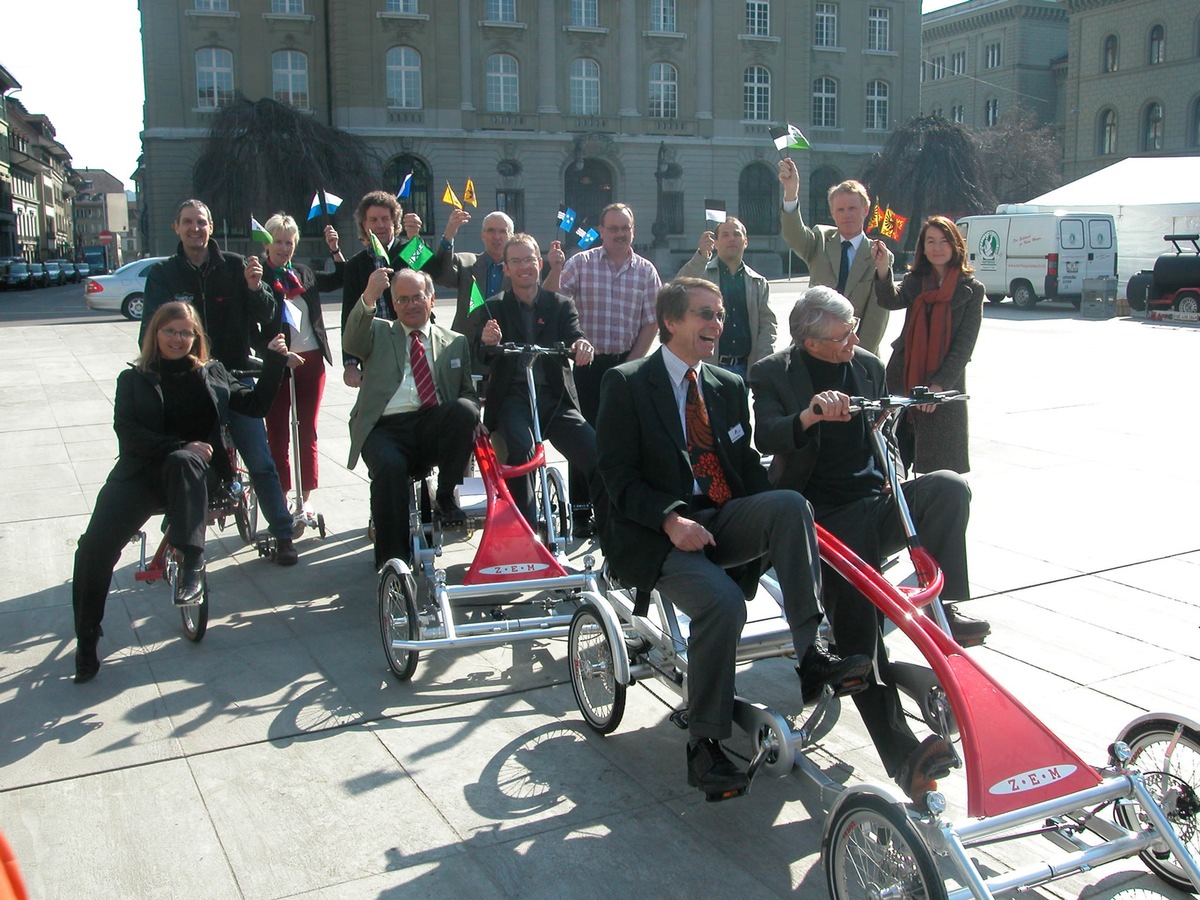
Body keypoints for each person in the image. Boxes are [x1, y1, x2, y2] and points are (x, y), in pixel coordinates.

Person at [596, 277, 871, 800]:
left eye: (720, 316)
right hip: (659, 532)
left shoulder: (725, 385)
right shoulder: (627, 383)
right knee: (722, 603)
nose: (716, 326)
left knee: (791, 504)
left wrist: (775, 512)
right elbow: (617, 475)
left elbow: (743, 466)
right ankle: (704, 746)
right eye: (704, 315)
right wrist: (671, 521)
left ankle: (811, 657)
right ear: (670, 322)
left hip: (719, 518)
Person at [749, 286, 990, 802]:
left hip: (871, 499)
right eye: (843, 335)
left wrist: (894, 442)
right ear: (810, 343)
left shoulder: (864, 364)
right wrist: (811, 414)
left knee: (948, 487)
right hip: (813, 514)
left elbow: (882, 425)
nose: (855, 339)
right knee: (859, 633)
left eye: (855, 328)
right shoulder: (772, 372)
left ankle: (943, 603)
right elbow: (767, 435)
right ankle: (903, 754)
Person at [73, 302, 287, 684]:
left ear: (196, 338)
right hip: (141, 474)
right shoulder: (134, 379)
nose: (177, 339)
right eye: (169, 331)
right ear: (155, 334)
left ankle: (192, 566)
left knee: (186, 463)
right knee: (92, 548)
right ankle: (87, 637)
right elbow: (129, 433)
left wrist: (273, 364)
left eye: (185, 332)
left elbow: (254, 407)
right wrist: (179, 443)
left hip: (195, 476)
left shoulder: (212, 372)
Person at [139, 199, 299, 565]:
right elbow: (150, 330)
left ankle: (283, 532)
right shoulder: (163, 275)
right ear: (176, 228)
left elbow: (266, 314)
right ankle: (179, 529)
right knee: (183, 457)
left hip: (233, 375)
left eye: (202, 222)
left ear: (211, 227)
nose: (196, 229)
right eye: (188, 223)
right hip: (188, 381)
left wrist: (257, 288)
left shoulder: (234, 266)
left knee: (260, 459)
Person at [343, 267, 480, 569]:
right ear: (393, 305)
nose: (411, 305)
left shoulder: (454, 341)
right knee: (390, 470)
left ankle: (445, 496)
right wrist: (368, 295)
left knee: (466, 409)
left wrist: (470, 422)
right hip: (385, 429)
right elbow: (351, 342)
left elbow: (468, 393)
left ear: (431, 299)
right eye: (402, 300)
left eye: (417, 297)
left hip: (432, 422)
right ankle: (394, 565)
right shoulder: (378, 332)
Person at [543, 202, 661, 535]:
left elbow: (651, 323)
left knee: (621, 441)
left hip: (625, 364)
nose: (620, 234)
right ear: (602, 230)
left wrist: (632, 364)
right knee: (584, 440)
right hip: (586, 367)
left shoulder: (646, 271)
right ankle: (581, 513)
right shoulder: (581, 264)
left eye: (625, 228)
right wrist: (553, 268)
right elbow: (550, 304)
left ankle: (615, 509)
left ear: (633, 230)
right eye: (613, 228)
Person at [471, 234, 597, 527]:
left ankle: (610, 534)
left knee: (596, 453)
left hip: (554, 398)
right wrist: (489, 342)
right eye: (515, 261)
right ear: (506, 268)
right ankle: (524, 531)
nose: (524, 266)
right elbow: (480, 354)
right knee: (519, 453)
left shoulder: (560, 304)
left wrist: (581, 345)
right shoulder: (495, 307)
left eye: (529, 259)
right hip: (514, 398)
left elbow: (574, 335)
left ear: (540, 264)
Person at [875, 215, 984, 474]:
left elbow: (963, 347)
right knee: (890, 464)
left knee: (939, 470)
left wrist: (938, 386)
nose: (937, 248)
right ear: (922, 248)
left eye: (944, 241)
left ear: (956, 246)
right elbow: (890, 300)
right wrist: (882, 268)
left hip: (944, 384)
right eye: (930, 241)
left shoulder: (972, 290)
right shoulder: (915, 281)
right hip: (904, 377)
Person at [261, 214, 344, 515]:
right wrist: (276, 356)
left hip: (310, 360)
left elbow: (338, 279)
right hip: (277, 364)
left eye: (289, 242)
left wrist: (335, 250)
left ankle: (305, 497)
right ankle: (281, 496)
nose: (284, 248)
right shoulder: (259, 277)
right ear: (267, 243)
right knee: (278, 432)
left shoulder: (303, 272)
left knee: (306, 430)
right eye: (278, 242)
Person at [777, 158, 893, 355]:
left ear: (865, 210)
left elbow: (877, 318)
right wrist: (791, 193)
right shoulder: (820, 239)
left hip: (854, 352)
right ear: (832, 212)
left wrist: (855, 359)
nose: (847, 215)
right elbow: (794, 235)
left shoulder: (879, 256)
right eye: (840, 209)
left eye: (852, 208)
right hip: (811, 347)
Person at [339, 190, 432, 388]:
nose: (380, 225)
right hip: (376, 349)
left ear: (394, 222)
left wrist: (417, 239)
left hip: (415, 344)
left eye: (385, 219)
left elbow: (433, 272)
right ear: (364, 224)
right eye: (373, 220)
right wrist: (350, 363)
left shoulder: (410, 250)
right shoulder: (355, 265)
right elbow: (349, 314)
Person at [675, 217, 776, 377]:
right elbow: (677, 290)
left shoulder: (758, 282)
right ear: (715, 242)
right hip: (707, 366)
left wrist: (763, 363)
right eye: (725, 235)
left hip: (744, 369)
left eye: (736, 234)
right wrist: (701, 256)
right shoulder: (702, 275)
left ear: (745, 241)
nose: (731, 239)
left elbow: (767, 326)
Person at [434, 208, 514, 334]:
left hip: (505, 344)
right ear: (483, 235)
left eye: (503, 231)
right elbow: (443, 277)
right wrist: (449, 235)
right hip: (468, 344)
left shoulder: (518, 271)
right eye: (491, 231)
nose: (497, 237)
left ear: (511, 236)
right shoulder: (466, 263)